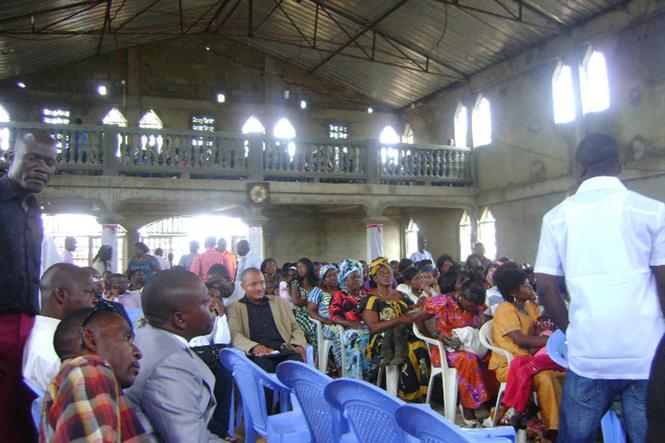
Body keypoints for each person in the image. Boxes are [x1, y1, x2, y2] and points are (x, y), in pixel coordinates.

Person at [535, 133, 665, 443]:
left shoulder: (557, 217)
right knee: (648, 435)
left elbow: (545, 286)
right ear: (619, 167)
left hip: (589, 354)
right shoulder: (653, 211)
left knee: (575, 437)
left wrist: (571, 329)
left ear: (578, 169)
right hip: (644, 354)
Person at [0, 131, 57, 442]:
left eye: (49, 162)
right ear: (12, 158)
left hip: (26, 323)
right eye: (33, 158)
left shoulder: (33, 208)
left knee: (20, 408)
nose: (41, 168)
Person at [125, 268, 222, 442]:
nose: (214, 306)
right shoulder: (170, 364)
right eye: (205, 301)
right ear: (180, 319)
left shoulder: (146, 334)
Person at [41, 304, 147, 442]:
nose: (138, 352)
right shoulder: (89, 368)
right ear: (90, 339)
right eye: (126, 338)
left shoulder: (66, 381)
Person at [490, 268, 564, 440]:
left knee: (555, 374)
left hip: (532, 359)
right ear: (513, 292)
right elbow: (521, 341)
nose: (530, 287)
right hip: (512, 363)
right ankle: (553, 430)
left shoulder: (530, 305)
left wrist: (544, 332)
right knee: (545, 378)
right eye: (524, 285)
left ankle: (555, 422)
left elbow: (539, 329)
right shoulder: (505, 310)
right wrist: (551, 342)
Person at [420, 281, 497, 427]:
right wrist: (435, 338)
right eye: (470, 306)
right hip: (444, 349)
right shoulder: (441, 302)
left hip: (468, 344)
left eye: (475, 306)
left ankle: (488, 405)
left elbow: (481, 324)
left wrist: (478, 323)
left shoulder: (477, 305)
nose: (473, 309)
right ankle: (469, 411)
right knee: (468, 360)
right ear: (461, 296)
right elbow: (419, 321)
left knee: (492, 358)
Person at [360, 257, 431, 400]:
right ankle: (407, 394)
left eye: (389, 273)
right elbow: (373, 327)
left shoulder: (401, 296)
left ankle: (424, 392)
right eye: (382, 274)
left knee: (420, 346)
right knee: (408, 349)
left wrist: (421, 305)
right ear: (374, 277)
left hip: (405, 332)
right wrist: (398, 320)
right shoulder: (371, 299)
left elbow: (412, 312)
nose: (387, 276)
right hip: (382, 338)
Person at [22, 264, 97, 391]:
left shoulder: (31, 332)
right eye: (89, 293)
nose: (95, 300)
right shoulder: (55, 356)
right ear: (61, 295)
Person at [227, 268, 307, 373]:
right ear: (243, 286)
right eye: (253, 284)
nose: (259, 288)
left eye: (262, 283)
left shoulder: (280, 303)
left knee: (297, 370)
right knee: (263, 373)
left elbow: (295, 328)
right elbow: (235, 334)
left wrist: (298, 345)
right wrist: (254, 347)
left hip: (285, 351)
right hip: (260, 356)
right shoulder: (235, 307)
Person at [329, 259, 371, 379]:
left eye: (359, 276)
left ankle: (373, 378)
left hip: (369, 326)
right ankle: (356, 379)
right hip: (349, 329)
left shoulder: (367, 293)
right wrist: (351, 323)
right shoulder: (339, 295)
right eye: (353, 277)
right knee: (356, 340)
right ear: (345, 279)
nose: (357, 280)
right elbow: (335, 316)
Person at [307, 264, 339, 370]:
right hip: (324, 326)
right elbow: (311, 311)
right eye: (330, 276)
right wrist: (324, 320)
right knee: (338, 333)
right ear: (324, 280)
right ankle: (341, 366)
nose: (334, 277)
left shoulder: (342, 290)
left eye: (335, 274)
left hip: (341, 322)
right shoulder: (318, 291)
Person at [289, 257, 318, 350]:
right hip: (302, 316)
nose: (299, 269)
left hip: (316, 314)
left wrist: (305, 300)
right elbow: (296, 301)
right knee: (313, 329)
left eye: (302, 266)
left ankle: (326, 356)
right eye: (298, 267)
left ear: (308, 267)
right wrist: (311, 301)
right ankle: (318, 356)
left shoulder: (316, 283)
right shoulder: (296, 282)